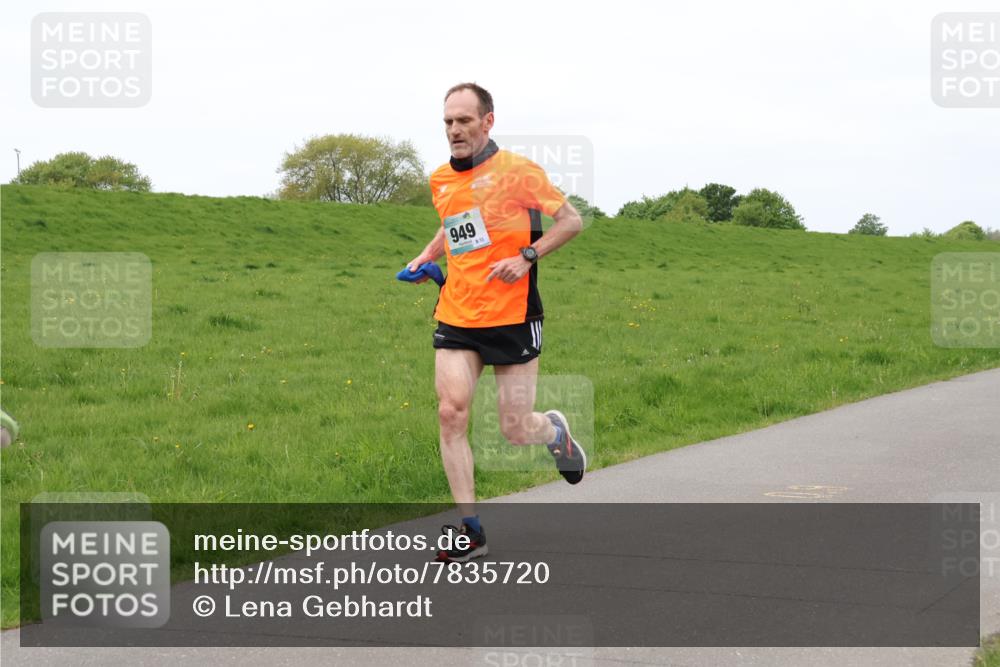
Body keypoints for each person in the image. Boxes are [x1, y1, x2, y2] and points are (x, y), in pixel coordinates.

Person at [406, 82, 587, 562]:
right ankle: (472, 531)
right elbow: (452, 224)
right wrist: (426, 256)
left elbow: (571, 221)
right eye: (448, 121)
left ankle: (553, 433)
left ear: (488, 121)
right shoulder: (442, 179)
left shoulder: (518, 172)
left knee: (513, 428)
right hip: (458, 311)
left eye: (464, 120)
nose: (454, 129)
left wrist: (528, 256)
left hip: (513, 314)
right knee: (451, 412)